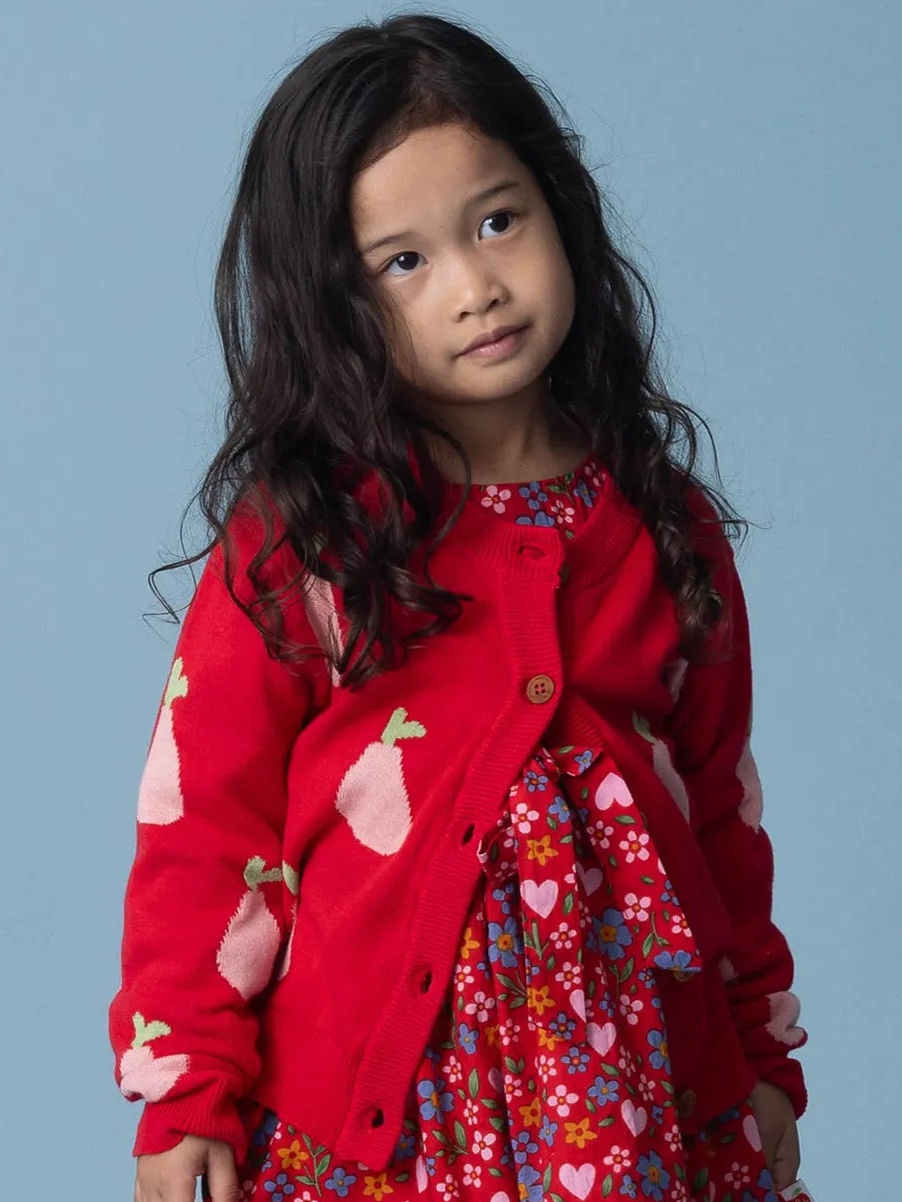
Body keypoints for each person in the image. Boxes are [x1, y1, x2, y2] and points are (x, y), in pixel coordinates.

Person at [108, 12, 813, 1202]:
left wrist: (756, 1051)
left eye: (498, 220)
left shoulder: (657, 521)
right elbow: (204, 834)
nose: (476, 285)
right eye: (404, 261)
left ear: (561, 212)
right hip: (381, 1132)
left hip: (632, 1103)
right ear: (334, 301)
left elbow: (719, 821)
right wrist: (186, 1086)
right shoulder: (310, 542)